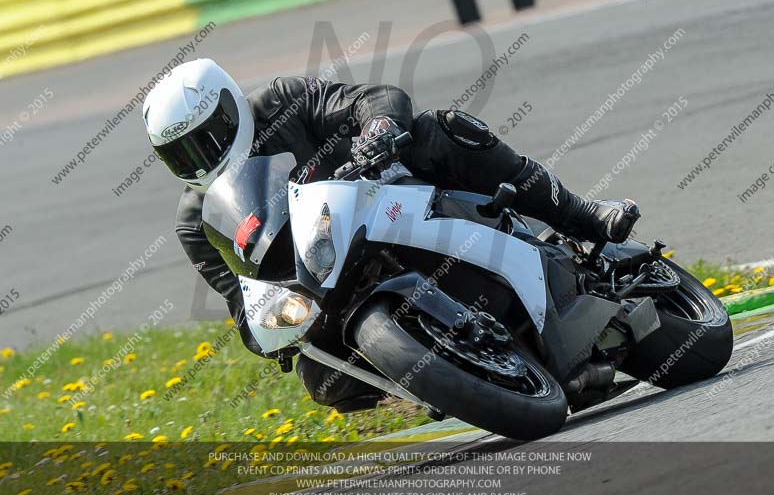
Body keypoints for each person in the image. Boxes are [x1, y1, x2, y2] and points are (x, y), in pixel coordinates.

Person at [142, 59, 640, 412]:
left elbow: (374, 98)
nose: (200, 160)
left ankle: (585, 214)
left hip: (389, 202)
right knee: (324, 378)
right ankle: (452, 377)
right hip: (324, 286)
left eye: (205, 139)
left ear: (230, 109)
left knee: (439, 131)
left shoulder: (282, 102)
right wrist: (265, 330)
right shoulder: (196, 223)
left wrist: (378, 126)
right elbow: (241, 302)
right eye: (181, 155)